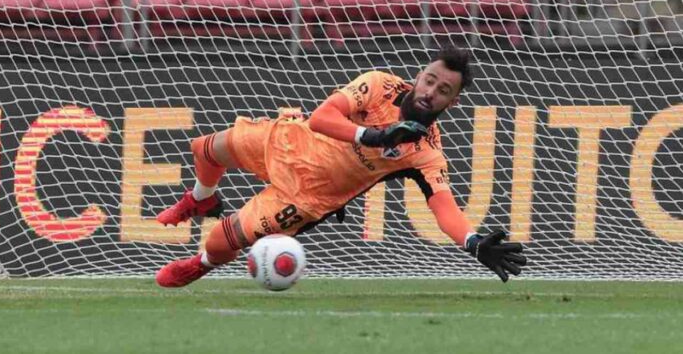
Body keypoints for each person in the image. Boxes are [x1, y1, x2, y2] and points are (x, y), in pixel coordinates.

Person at [155, 44, 526, 287]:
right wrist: (375, 136)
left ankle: (201, 264)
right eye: (429, 80)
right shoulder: (379, 85)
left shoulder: (425, 152)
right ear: (419, 77)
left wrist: (473, 242)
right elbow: (321, 118)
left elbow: (444, 209)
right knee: (205, 149)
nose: (430, 92)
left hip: (305, 197)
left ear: (453, 102)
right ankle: (201, 198)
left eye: (443, 90)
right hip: (290, 140)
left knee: (220, 241)